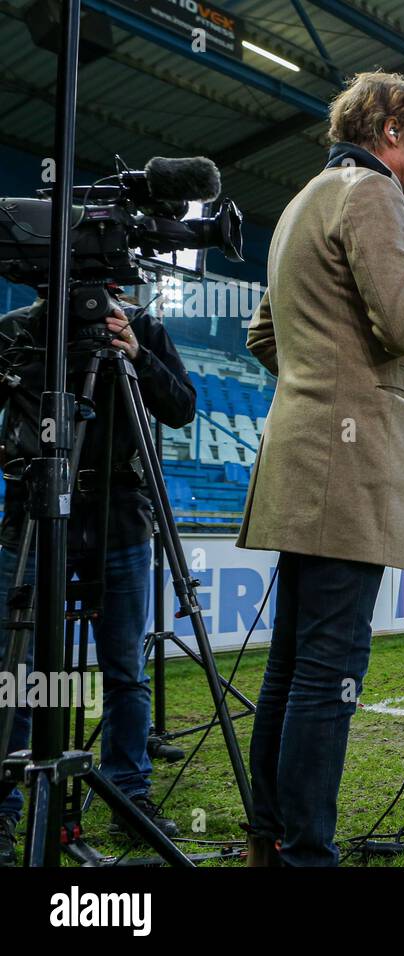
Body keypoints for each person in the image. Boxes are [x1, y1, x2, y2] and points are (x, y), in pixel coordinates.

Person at [237, 70, 404, 867]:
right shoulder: (373, 196)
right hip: (350, 465)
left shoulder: (302, 201)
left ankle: (268, 841)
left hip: (301, 454)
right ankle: (307, 855)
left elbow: (263, 335)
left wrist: (321, 373)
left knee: (293, 666)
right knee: (328, 672)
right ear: (392, 131)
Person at [0, 291, 197, 865]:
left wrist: (137, 354)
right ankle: (7, 809)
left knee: (125, 669)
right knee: (17, 669)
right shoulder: (15, 330)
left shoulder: (137, 327)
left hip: (119, 517)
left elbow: (182, 406)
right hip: (33, 516)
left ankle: (129, 796)